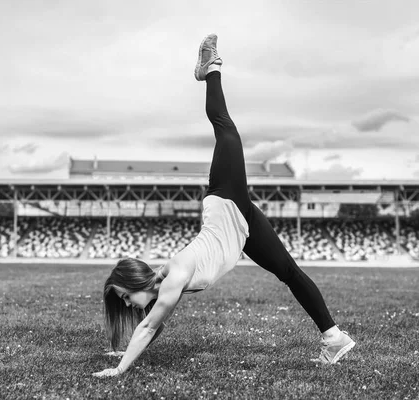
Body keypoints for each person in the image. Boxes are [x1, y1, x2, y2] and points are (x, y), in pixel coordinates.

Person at [93, 34, 355, 378]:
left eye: (126, 297)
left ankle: (211, 70)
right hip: (240, 229)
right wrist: (126, 351)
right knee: (288, 273)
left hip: (226, 202)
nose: (127, 305)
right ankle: (334, 339)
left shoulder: (174, 276)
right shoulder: (162, 287)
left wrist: (120, 370)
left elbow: (146, 327)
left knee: (227, 132)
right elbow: (152, 326)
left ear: (138, 281)